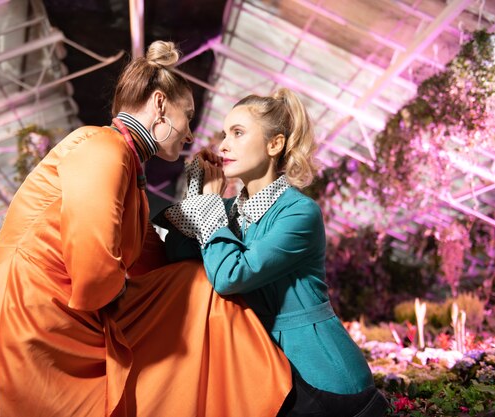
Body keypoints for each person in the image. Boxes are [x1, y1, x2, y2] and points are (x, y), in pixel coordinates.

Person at [0, 41, 292, 417]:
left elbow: (158, 266)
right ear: (159, 105)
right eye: (188, 116)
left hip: (53, 313)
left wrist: (202, 194)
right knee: (198, 294)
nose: (190, 134)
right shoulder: (104, 146)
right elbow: (93, 258)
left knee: (199, 285)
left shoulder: (132, 178)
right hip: (30, 316)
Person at [157, 88, 389, 417]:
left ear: (274, 144)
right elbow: (173, 250)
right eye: (224, 134)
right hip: (266, 372)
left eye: (237, 133)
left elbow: (229, 276)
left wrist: (208, 207)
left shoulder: (299, 213)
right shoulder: (225, 214)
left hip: (321, 381)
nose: (223, 145)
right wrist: (198, 193)